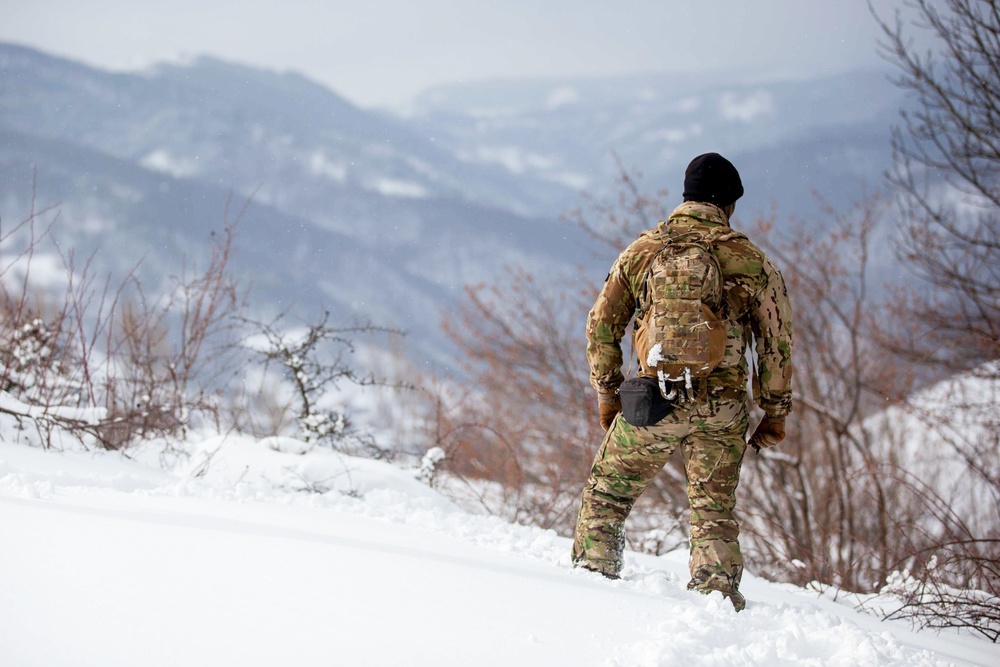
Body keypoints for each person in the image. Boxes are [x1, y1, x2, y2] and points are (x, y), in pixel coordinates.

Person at [571, 152, 793, 611]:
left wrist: (608, 394)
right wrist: (774, 411)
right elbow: (776, 344)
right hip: (723, 410)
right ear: (729, 203)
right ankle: (716, 607)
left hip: (654, 401)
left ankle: (591, 591)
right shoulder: (751, 261)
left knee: (608, 495)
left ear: (685, 197)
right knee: (713, 513)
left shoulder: (643, 251)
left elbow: (601, 327)